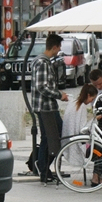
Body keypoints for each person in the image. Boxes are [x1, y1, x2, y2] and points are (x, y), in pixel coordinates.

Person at [31, 34, 69, 183]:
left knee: (50, 137)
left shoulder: (42, 61)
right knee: (52, 137)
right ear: (54, 47)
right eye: (59, 47)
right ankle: (43, 169)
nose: (59, 50)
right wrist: (59, 95)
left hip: (47, 106)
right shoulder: (43, 62)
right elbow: (42, 87)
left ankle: (44, 169)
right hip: (45, 107)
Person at [61, 84, 102, 184]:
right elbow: (83, 129)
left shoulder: (73, 103)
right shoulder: (82, 107)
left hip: (68, 139)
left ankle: (97, 177)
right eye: (92, 98)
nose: (91, 101)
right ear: (88, 95)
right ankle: (96, 177)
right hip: (77, 143)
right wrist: (95, 119)